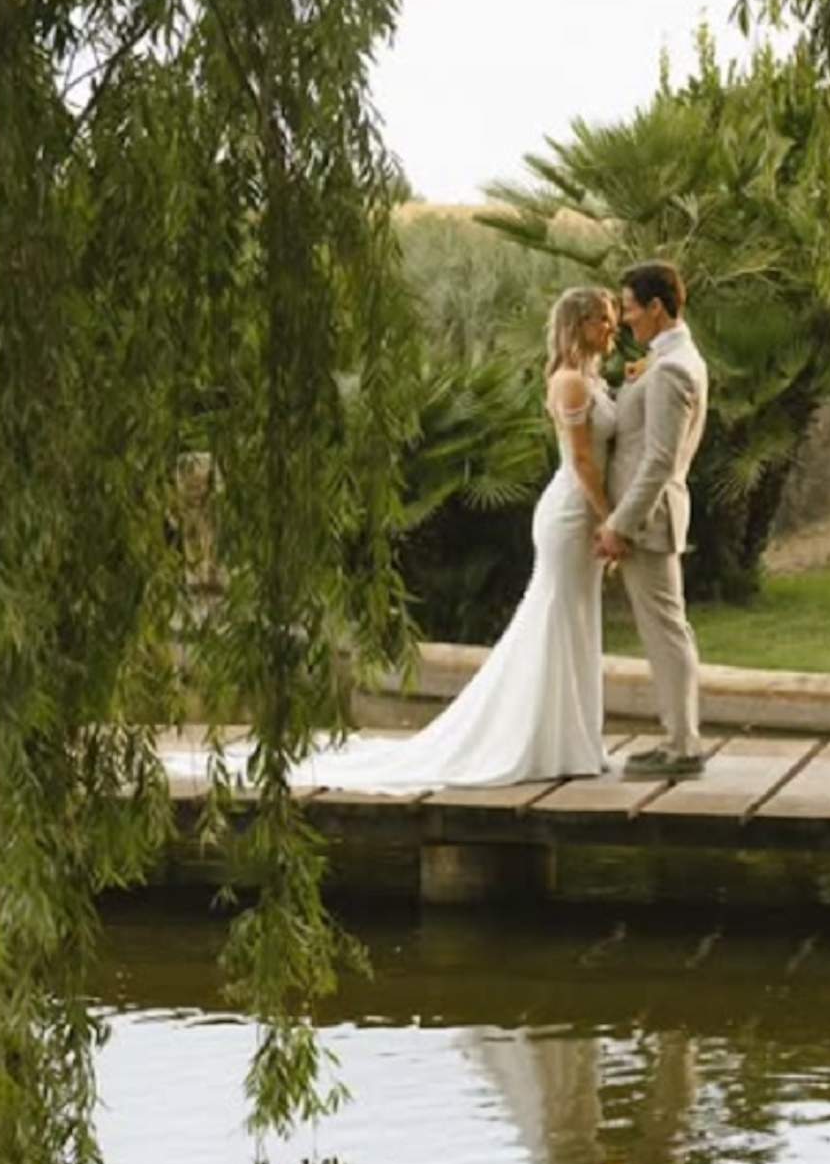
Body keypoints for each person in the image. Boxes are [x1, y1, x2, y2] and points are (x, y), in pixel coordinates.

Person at [290, 284, 620, 792]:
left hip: (583, 513)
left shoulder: (592, 381)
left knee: (577, 621)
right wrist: (611, 520)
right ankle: (547, 740)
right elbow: (580, 461)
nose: (612, 326)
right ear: (578, 326)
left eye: (614, 316)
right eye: (602, 318)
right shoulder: (571, 383)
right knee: (557, 619)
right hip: (573, 513)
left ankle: (574, 739)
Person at [596, 260, 710, 780]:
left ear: (657, 308)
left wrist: (620, 523)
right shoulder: (665, 360)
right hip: (649, 517)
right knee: (666, 628)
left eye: (629, 307)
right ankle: (677, 738)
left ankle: (683, 745)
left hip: (650, 520)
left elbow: (660, 459)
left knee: (666, 631)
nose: (623, 318)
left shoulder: (673, 368)